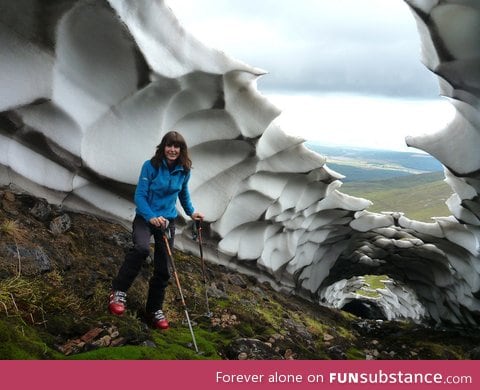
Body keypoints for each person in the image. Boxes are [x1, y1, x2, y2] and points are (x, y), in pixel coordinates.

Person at [108, 131, 204, 329]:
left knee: (164, 268)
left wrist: (191, 212)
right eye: (169, 145)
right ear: (163, 147)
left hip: (167, 222)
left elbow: (183, 194)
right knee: (141, 249)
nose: (172, 149)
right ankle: (118, 292)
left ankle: (153, 309)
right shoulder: (151, 166)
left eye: (177, 146)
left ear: (181, 150)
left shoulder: (184, 170)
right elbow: (140, 196)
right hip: (145, 218)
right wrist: (151, 216)